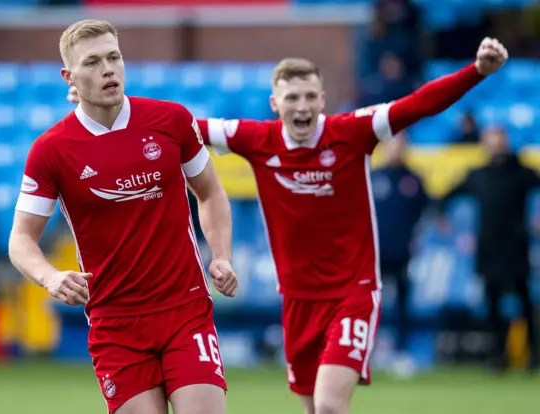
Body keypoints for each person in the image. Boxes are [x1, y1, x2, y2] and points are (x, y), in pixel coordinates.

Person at [69, 37, 509, 413]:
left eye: (309, 97)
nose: (301, 107)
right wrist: (102, 102)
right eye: (291, 98)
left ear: (322, 100)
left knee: (329, 405)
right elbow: (175, 127)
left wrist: (476, 71)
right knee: (310, 406)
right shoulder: (257, 140)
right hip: (297, 299)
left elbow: (417, 105)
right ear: (274, 103)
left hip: (352, 293)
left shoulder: (351, 132)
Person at [9, 19, 238, 414]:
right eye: (93, 62)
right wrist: (51, 277)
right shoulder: (51, 150)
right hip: (115, 323)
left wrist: (220, 255)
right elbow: (20, 240)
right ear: (70, 77)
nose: (108, 69)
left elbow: (210, 191)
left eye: (114, 57)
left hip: (184, 308)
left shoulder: (171, 121)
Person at [437, 126, 540, 372]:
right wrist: (443, 218)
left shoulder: (522, 172)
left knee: (525, 304)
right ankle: (497, 357)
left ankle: (534, 357)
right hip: (488, 249)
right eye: (491, 141)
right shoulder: (478, 175)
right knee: (492, 306)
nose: (496, 146)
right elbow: (445, 197)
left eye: (499, 141)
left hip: (516, 248)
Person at [371, 132, 428, 353]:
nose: (395, 149)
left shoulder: (413, 180)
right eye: (392, 145)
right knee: (368, 304)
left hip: (403, 252)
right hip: (374, 252)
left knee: (403, 303)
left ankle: (401, 350)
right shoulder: (373, 177)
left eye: (400, 145)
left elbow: (425, 213)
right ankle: (366, 350)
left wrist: (417, 238)